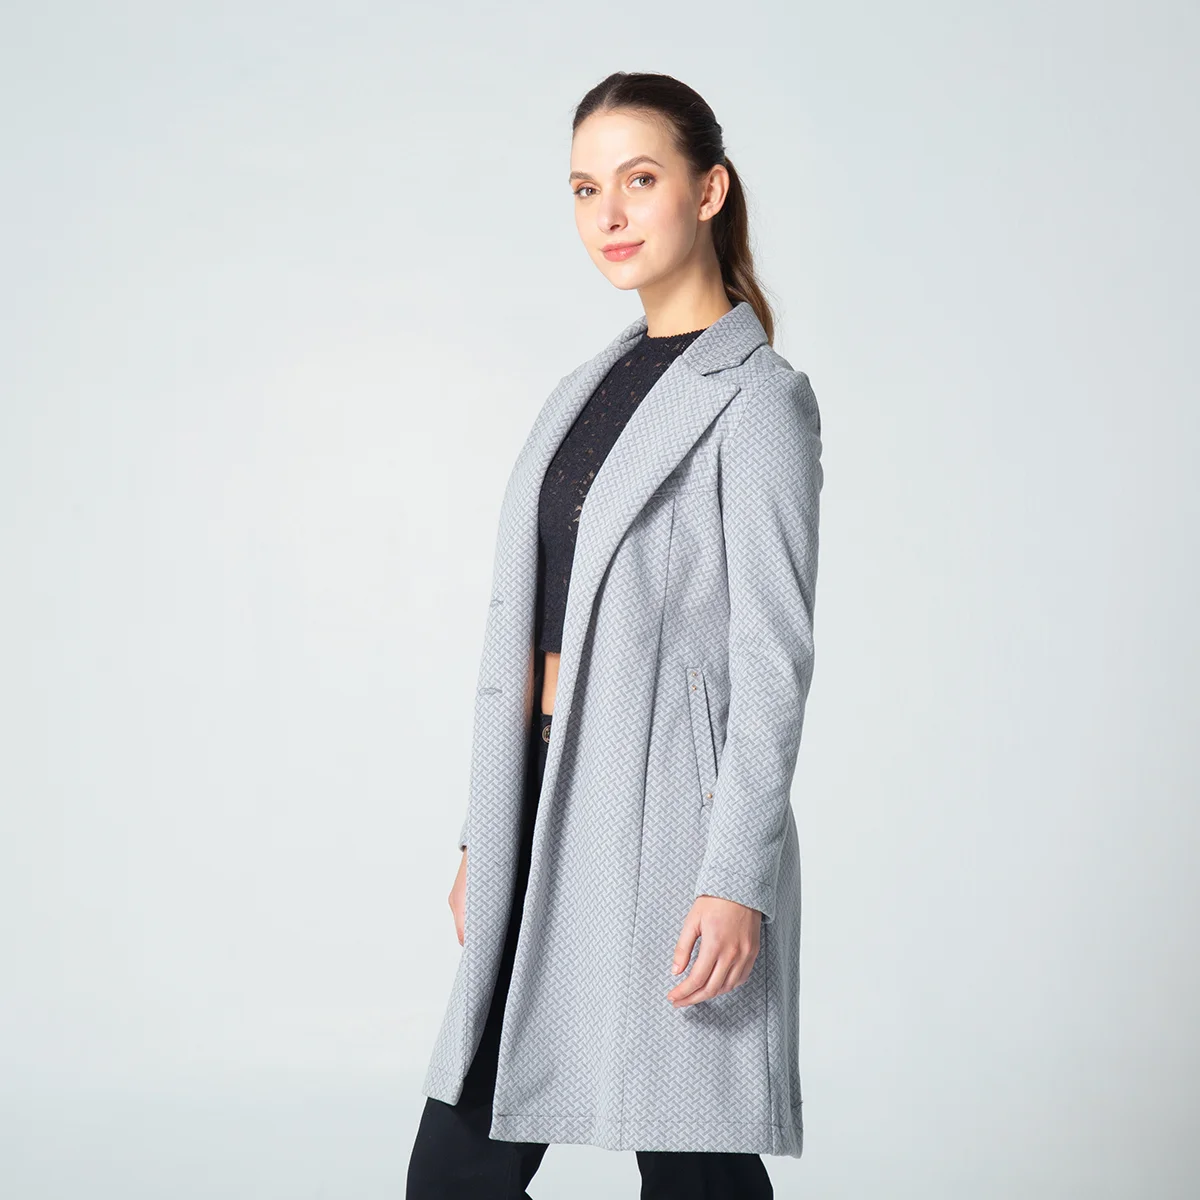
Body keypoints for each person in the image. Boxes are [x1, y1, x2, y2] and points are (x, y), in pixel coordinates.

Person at [407, 70, 824, 1199]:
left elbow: (773, 660)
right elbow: (528, 620)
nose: (610, 214)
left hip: (671, 826)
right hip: (539, 793)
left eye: (640, 179)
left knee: (694, 1166)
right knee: (456, 1167)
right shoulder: (582, 390)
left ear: (708, 190)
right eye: (587, 189)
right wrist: (483, 829)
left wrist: (735, 877)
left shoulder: (758, 398)